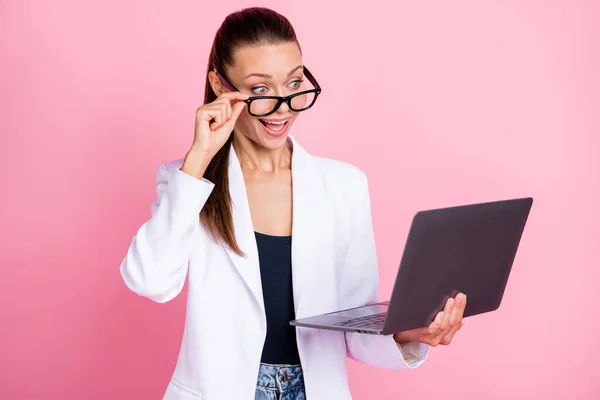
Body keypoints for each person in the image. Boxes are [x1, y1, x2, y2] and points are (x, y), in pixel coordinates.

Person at [120, 6, 467, 400]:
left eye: (294, 83)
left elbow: (353, 325)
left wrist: (410, 332)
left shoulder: (344, 186)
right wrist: (198, 159)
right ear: (220, 86)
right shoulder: (186, 182)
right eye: (261, 90)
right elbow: (149, 280)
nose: (283, 107)